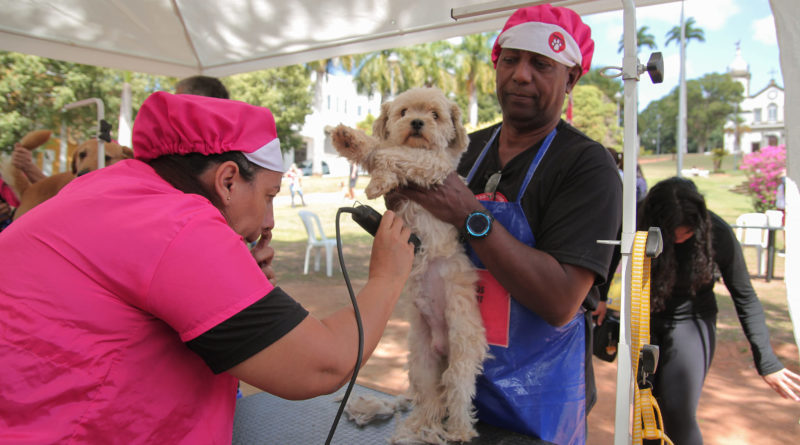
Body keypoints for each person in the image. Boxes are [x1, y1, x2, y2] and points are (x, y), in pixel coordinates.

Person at [0, 91, 416, 443]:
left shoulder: (117, 188)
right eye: (270, 196)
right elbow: (321, 365)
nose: (270, 221)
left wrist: (228, 285)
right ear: (228, 181)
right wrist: (387, 276)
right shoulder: (180, 226)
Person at [391, 5, 622, 444]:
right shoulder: (465, 148)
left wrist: (469, 214)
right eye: (510, 59)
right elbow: (424, 249)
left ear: (570, 80)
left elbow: (559, 301)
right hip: (452, 388)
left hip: (534, 409)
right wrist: (403, 212)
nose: (520, 75)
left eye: (541, 64)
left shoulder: (588, 167)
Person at [595, 177, 800, 444]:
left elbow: (745, 296)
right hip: (644, 320)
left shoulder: (718, 233)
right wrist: (599, 296)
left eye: (687, 233)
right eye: (673, 233)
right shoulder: (636, 220)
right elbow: (611, 256)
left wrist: (767, 360)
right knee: (647, 412)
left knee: (677, 412)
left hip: (691, 322)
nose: (679, 239)